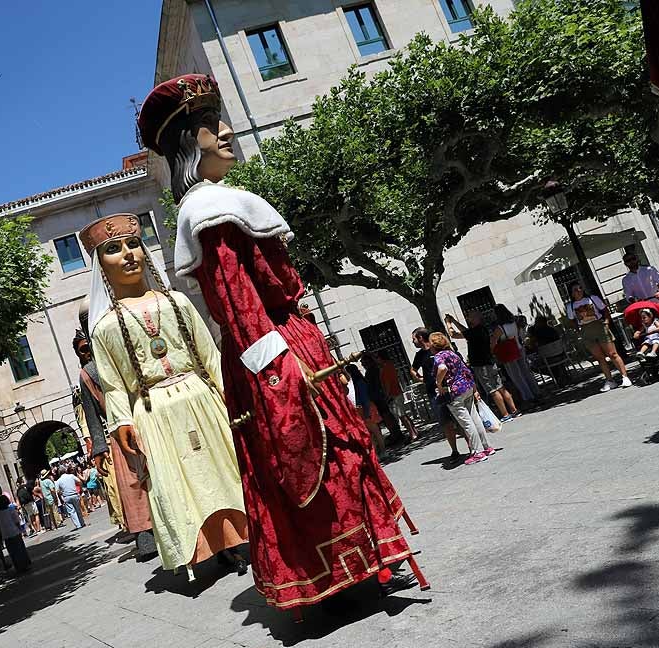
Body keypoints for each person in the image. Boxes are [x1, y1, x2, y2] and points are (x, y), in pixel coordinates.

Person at [139, 73, 425, 608]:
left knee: (339, 451)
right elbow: (237, 302)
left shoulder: (225, 201)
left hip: (289, 340)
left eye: (220, 121)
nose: (225, 132)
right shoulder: (208, 212)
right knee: (308, 456)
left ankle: (361, 563)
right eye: (208, 127)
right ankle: (333, 575)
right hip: (274, 353)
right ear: (186, 143)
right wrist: (277, 374)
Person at [82, 212, 250, 578]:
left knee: (223, 470)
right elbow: (112, 384)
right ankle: (201, 549)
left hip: (202, 400)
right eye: (113, 249)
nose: (127, 254)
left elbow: (209, 354)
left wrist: (228, 394)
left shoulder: (178, 301)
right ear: (101, 266)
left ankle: (241, 540)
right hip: (153, 412)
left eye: (133, 244)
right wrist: (121, 422)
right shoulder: (104, 327)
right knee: (176, 484)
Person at [74, 320, 154, 557]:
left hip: (143, 420)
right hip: (118, 434)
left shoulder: (117, 356)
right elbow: (92, 416)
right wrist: (99, 448)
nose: (88, 352)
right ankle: (145, 538)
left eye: (89, 346)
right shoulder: (86, 375)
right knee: (132, 487)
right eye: (82, 350)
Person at [431, 333, 495, 465]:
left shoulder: (439, 356)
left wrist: (438, 383)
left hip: (454, 392)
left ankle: (477, 452)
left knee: (466, 422)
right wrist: (475, 388)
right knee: (474, 417)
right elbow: (467, 370)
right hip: (467, 387)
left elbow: (442, 368)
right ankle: (487, 447)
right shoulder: (452, 353)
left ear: (433, 345)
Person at [446, 312, 519, 423]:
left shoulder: (474, 331)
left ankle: (505, 414)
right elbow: (464, 332)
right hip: (489, 362)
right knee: (500, 387)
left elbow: (453, 334)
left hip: (481, 365)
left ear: (477, 318)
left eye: (470, 316)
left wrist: (448, 323)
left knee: (493, 390)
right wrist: (454, 321)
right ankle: (514, 410)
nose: (468, 318)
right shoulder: (481, 329)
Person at [566, 283, 632, 392]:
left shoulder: (592, 298)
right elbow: (572, 320)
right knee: (599, 357)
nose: (579, 290)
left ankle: (625, 377)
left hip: (599, 326)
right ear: (572, 293)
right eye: (576, 289)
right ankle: (610, 380)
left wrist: (606, 322)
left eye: (580, 288)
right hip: (586, 330)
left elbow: (605, 310)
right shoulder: (570, 306)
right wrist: (578, 330)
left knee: (612, 354)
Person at [412, 328, 466, 458]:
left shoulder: (437, 348)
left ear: (420, 337)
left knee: (460, 419)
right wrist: (421, 379)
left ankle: (472, 445)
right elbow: (413, 370)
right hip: (433, 392)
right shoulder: (419, 355)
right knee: (445, 422)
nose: (412, 341)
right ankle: (454, 450)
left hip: (449, 389)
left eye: (414, 338)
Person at [622, 253, 659, 349]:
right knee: (650, 329)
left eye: (633, 258)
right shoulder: (626, 279)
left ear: (637, 259)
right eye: (628, 261)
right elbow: (628, 294)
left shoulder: (649, 270)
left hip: (658, 301)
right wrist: (634, 300)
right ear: (626, 264)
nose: (631, 262)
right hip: (644, 307)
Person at [490, 304, 541, 405]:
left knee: (517, 377)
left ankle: (528, 397)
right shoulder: (514, 323)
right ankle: (536, 392)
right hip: (519, 349)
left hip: (509, 353)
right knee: (526, 373)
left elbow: (493, 342)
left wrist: (492, 352)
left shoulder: (500, 328)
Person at [361, 354, 403, 447]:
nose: (362, 364)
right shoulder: (372, 370)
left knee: (387, 416)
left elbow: (376, 384)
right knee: (386, 416)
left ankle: (396, 434)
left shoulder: (372, 371)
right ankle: (395, 434)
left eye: (364, 362)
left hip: (379, 397)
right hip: (378, 397)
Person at [345, 363, 387, 457]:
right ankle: (377, 452)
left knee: (375, 432)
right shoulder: (359, 381)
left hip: (366, 408)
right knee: (372, 432)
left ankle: (383, 450)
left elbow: (364, 398)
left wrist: (367, 413)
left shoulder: (359, 382)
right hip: (365, 408)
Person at [377, 351, 420, 440]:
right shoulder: (390, 364)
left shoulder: (385, 367)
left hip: (393, 394)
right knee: (403, 414)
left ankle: (412, 434)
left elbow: (388, 382)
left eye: (377, 358)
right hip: (397, 392)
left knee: (402, 416)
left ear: (381, 358)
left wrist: (387, 395)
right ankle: (414, 431)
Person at [0, 495, 31, 573]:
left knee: (12, 552)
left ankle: (18, 566)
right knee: (20, 549)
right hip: (14, 532)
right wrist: (20, 529)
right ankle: (25, 564)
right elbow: (16, 521)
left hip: (6, 535)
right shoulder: (10, 509)